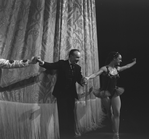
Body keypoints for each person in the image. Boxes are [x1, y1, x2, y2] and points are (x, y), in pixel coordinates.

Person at [36, 49, 86, 139]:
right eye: (77, 57)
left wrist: (83, 82)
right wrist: (41, 62)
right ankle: (64, 136)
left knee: (71, 116)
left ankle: (71, 135)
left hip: (71, 95)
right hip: (61, 95)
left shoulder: (78, 68)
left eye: (79, 57)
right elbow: (50, 66)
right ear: (71, 56)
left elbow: (79, 78)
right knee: (63, 116)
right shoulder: (62, 64)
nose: (78, 59)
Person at [85, 51, 136, 139]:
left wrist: (134, 62)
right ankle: (113, 124)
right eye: (119, 58)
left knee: (117, 113)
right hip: (105, 93)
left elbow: (127, 66)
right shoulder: (105, 68)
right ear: (114, 58)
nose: (121, 60)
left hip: (115, 92)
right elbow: (96, 74)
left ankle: (116, 133)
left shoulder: (117, 69)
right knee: (109, 112)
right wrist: (88, 77)